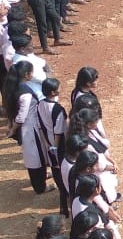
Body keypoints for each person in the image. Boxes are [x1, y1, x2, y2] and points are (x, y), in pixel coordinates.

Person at [9, 60, 54, 194]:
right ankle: (40, 186)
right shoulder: (26, 94)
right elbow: (21, 117)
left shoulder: (14, 87)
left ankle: (42, 177)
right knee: (36, 158)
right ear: (27, 74)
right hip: (31, 128)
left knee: (36, 156)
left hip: (29, 128)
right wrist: (14, 128)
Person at [37, 77, 69, 214]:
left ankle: (63, 193)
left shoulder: (39, 105)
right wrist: (55, 148)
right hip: (59, 146)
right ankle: (66, 194)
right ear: (52, 92)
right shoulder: (58, 109)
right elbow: (59, 131)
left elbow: (39, 126)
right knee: (63, 169)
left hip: (48, 144)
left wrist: (48, 145)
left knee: (55, 170)